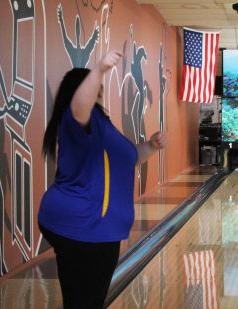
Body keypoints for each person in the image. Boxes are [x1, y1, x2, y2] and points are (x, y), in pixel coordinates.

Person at [38, 50, 167, 309]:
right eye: (95, 86)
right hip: (83, 227)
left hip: (93, 230)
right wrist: (98, 70)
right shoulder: (75, 120)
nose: (100, 90)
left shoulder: (102, 124)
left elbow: (129, 158)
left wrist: (151, 146)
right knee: (84, 303)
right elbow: (79, 107)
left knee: (85, 302)